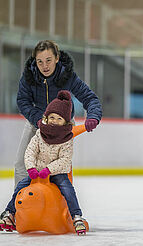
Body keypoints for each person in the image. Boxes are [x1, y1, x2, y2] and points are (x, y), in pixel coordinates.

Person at [15, 40, 102, 187]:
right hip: (37, 122)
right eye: (40, 61)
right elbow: (23, 101)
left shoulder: (68, 76)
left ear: (56, 58)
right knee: (21, 163)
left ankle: (63, 204)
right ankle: (19, 204)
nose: (44, 66)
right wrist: (38, 119)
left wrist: (93, 116)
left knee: (60, 166)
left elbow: (89, 98)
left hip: (64, 126)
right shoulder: (29, 77)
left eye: (48, 60)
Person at [0, 90, 87, 235]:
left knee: (67, 189)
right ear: (46, 117)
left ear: (65, 122)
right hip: (37, 172)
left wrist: (48, 169)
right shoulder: (40, 133)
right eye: (52, 117)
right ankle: (10, 213)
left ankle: (76, 216)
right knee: (21, 185)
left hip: (57, 173)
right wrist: (31, 168)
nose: (54, 121)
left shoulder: (67, 137)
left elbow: (65, 160)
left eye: (59, 119)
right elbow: (30, 152)